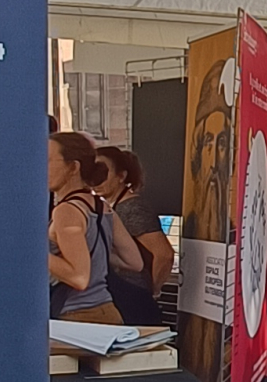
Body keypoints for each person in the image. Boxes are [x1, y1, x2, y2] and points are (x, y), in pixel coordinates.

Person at [94, 144, 175, 324]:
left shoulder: (133, 208)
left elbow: (165, 254)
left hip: (132, 297)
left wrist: (152, 290)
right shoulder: (114, 207)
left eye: (102, 172)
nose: (96, 179)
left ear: (121, 176)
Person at [48, 130, 123, 324]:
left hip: (78, 317)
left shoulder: (66, 211)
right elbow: (134, 261)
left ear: (73, 167)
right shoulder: (103, 207)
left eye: (48, 160)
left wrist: (33, 250)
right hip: (108, 310)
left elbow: (79, 278)